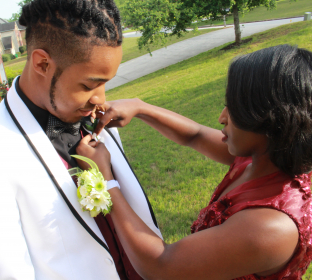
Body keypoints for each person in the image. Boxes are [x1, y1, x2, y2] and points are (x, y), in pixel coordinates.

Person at [0, 0, 161, 279]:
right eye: (89, 85)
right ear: (42, 63)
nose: (100, 99)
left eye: (105, 83)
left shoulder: (98, 116)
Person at [75, 45, 312, 280]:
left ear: (271, 121)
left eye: (235, 109)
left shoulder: (271, 226)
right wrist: (140, 107)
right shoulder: (263, 157)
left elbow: (160, 266)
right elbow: (195, 135)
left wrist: (105, 180)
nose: (221, 117)